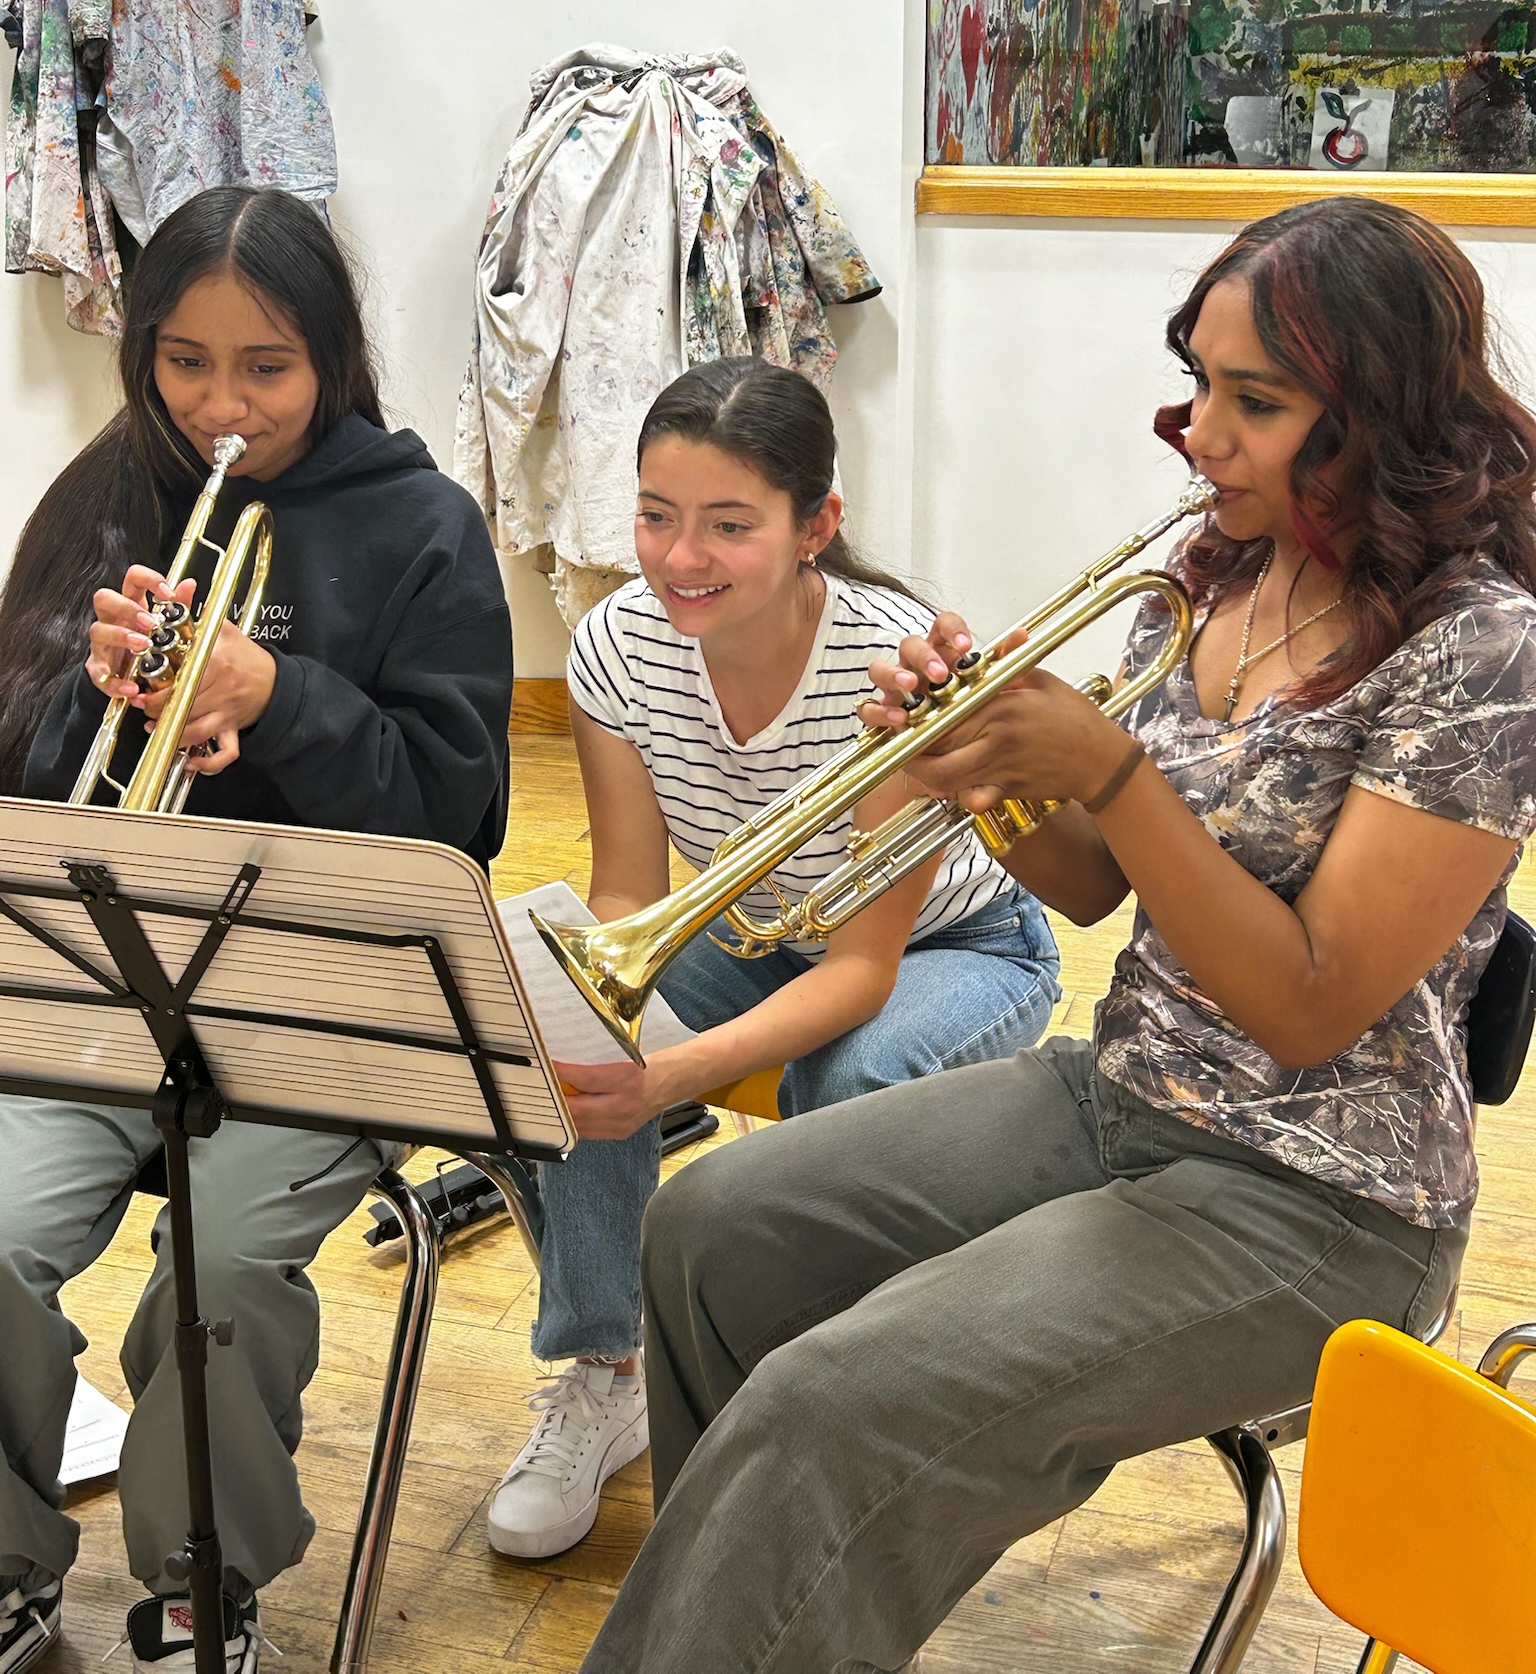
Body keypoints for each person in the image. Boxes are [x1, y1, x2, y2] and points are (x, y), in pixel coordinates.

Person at [570, 195, 1536, 1674]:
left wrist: (1104, 765)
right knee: (709, 1233)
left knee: (840, 1399)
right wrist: (985, 771)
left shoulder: (1483, 650)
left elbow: (1309, 1005)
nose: (1198, 431)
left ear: (1381, 422)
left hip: (1320, 1203)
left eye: (1254, 402)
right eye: (1198, 381)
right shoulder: (1219, 573)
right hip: (1124, 1097)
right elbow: (1092, 888)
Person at [0, 188, 512, 1674]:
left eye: (267, 368)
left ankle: (191, 1578)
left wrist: (278, 698)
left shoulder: (424, 527)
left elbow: (453, 819)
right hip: (106, 994)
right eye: (184, 362)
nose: (223, 406)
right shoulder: (104, 500)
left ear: (334, 357)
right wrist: (99, 699)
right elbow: (38, 809)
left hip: (321, 1002)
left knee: (220, 1262)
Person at [486, 357, 1061, 1561]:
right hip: (751, 927)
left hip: (950, 945)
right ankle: (603, 1365)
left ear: (818, 528)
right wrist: (613, 1028)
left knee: (844, 1089)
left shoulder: (893, 664)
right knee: (574, 1029)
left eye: (729, 524)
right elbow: (633, 894)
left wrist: (673, 1077)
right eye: (655, 514)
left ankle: (823, 1393)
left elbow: (860, 974)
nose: (679, 556)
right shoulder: (614, 646)